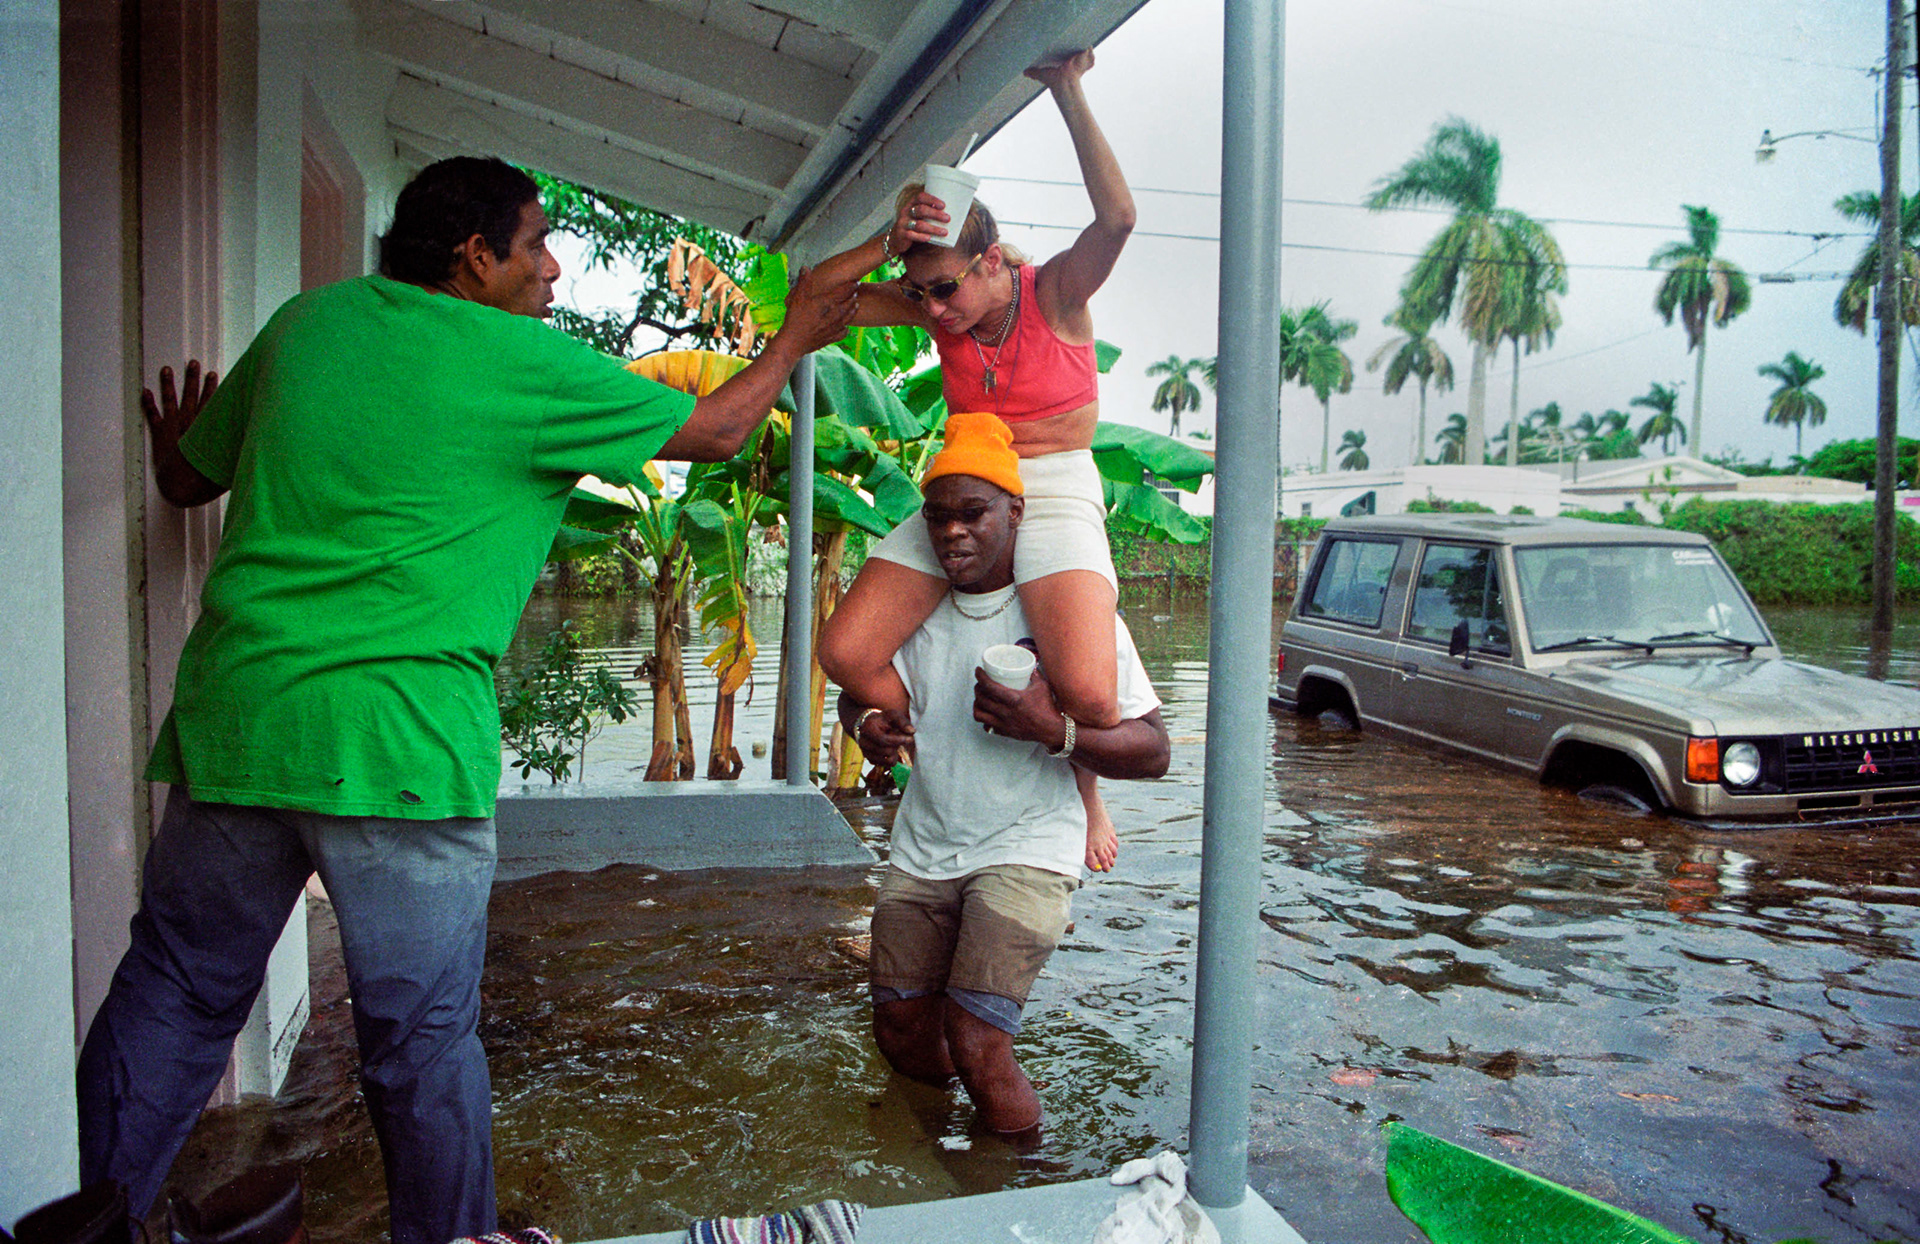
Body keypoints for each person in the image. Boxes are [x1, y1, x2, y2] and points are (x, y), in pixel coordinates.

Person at [80, 156, 857, 1244]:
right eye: (536, 243)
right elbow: (722, 428)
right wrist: (795, 336)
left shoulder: (304, 327)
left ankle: (93, 1222)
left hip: (239, 724)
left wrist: (173, 446)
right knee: (423, 1038)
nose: (551, 267)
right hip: (402, 744)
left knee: (172, 988)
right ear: (474, 257)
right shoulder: (520, 362)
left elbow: (187, 479)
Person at [814, 50, 1137, 874]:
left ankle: (1080, 788)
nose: (932, 308)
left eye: (946, 288)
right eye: (919, 292)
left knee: (1094, 695)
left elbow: (1117, 221)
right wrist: (891, 243)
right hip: (965, 491)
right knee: (846, 653)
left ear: (992, 261)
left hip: (1054, 488)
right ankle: (942, 736)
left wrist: (1068, 91)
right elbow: (819, 294)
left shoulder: (1055, 295)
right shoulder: (938, 315)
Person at [837, 413, 1168, 1135]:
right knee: (898, 1032)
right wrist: (866, 726)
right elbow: (853, 693)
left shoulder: (1062, 613)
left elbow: (1154, 749)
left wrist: (1054, 730)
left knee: (979, 1038)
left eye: (973, 513)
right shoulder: (911, 611)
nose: (953, 532)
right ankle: (945, 1146)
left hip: (1027, 847)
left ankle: (1019, 1177)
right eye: (937, 517)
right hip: (926, 845)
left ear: (1017, 512)